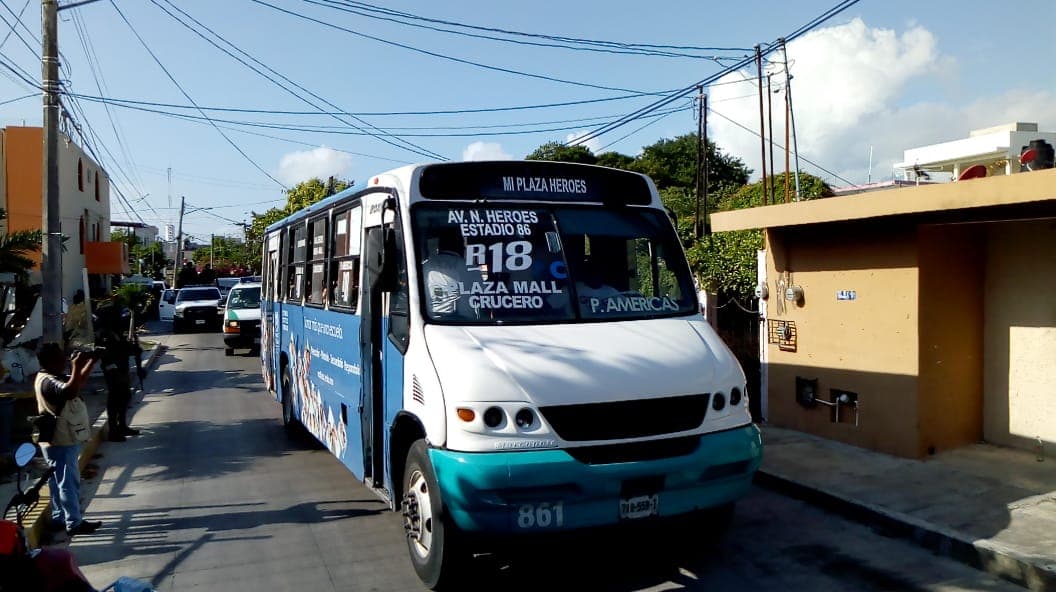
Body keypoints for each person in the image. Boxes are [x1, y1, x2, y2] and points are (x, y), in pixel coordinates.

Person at [33, 343, 101, 537]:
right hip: (61, 439)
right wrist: (76, 366)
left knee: (57, 481)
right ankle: (74, 523)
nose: (65, 359)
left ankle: (59, 518)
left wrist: (89, 364)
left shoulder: (51, 376)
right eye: (61, 357)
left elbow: (76, 384)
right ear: (51, 360)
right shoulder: (48, 381)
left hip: (56, 438)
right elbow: (70, 391)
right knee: (68, 482)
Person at [95, 298, 143, 442]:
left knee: (125, 396)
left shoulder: (115, 330)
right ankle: (113, 430)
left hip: (122, 367)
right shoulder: (104, 332)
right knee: (115, 399)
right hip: (113, 370)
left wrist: (133, 349)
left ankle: (122, 426)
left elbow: (123, 347)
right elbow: (107, 354)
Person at [421, 227, 479, 318]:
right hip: (465, 321)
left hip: (430, 319)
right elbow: (482, 293)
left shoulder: (425, 266)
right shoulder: (470, 268)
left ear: (439, 246)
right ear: (460, 247)